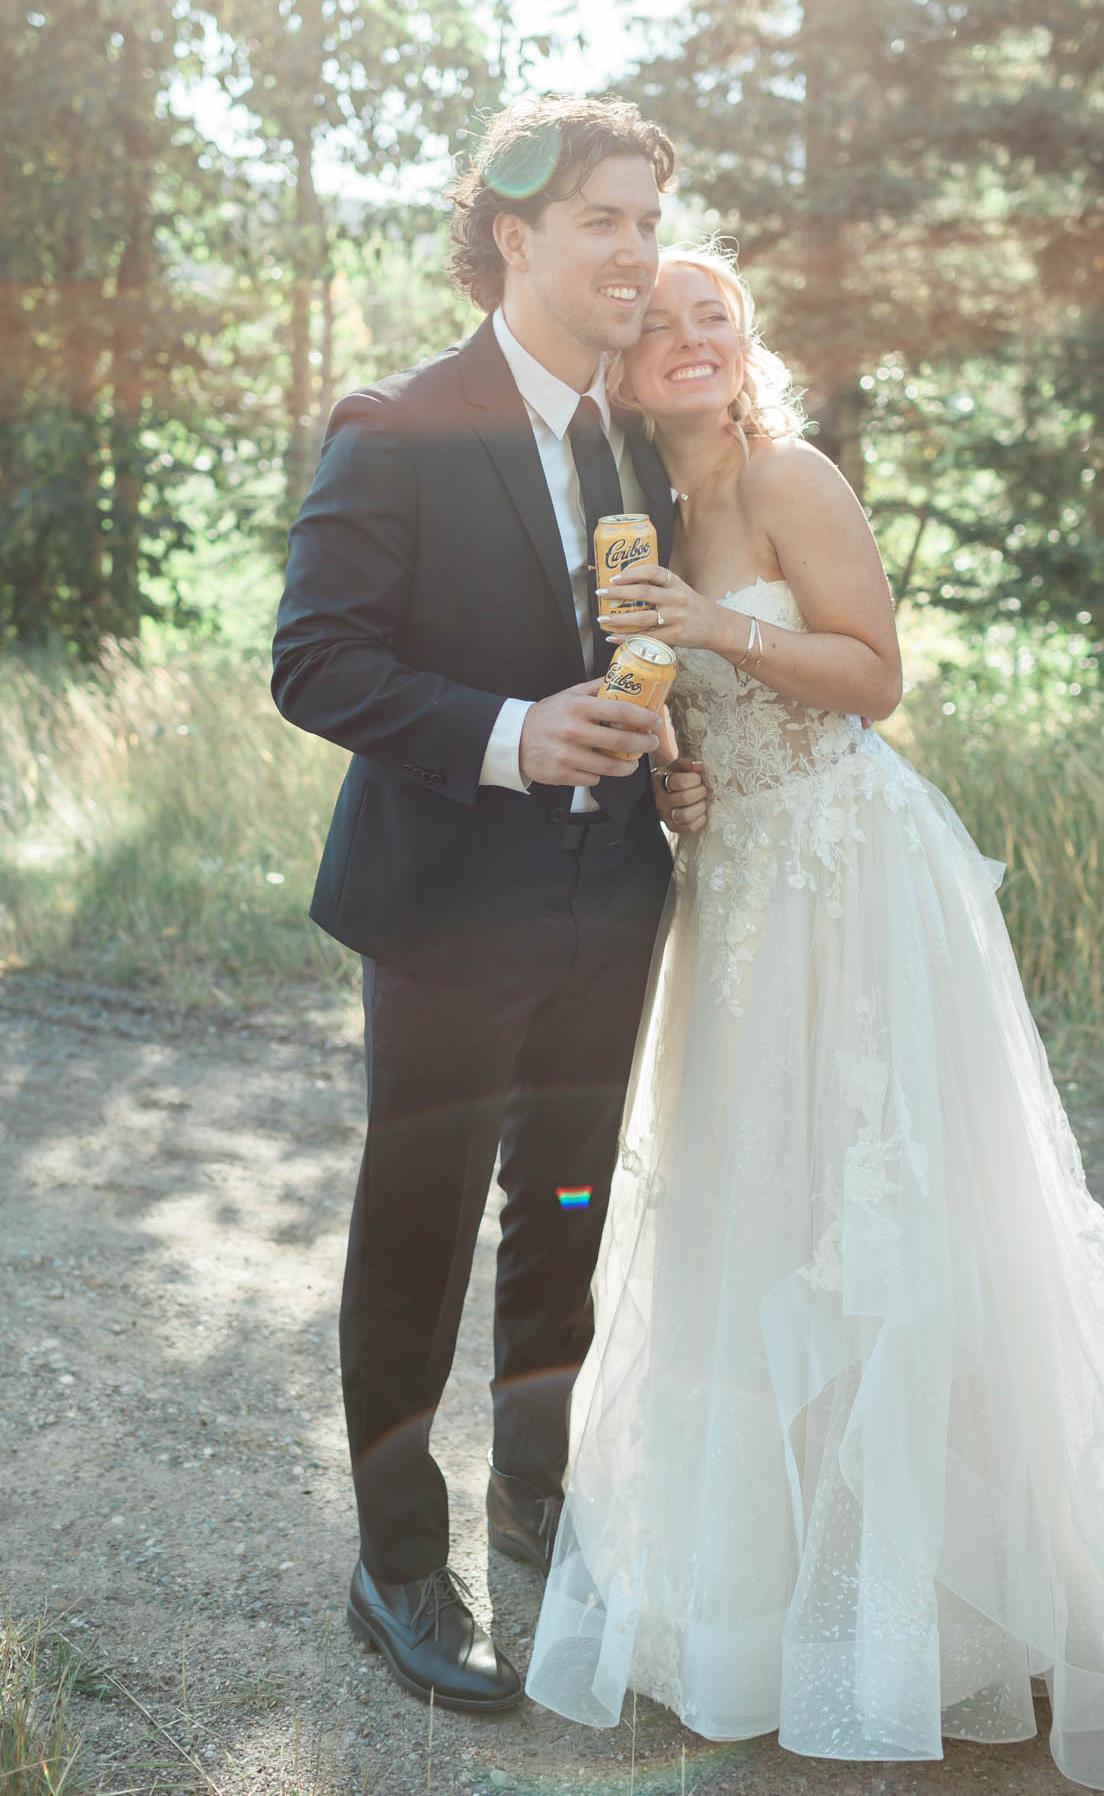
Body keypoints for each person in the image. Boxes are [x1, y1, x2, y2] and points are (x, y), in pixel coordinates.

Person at [524, 245, 1104, 1787]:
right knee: (755, 1224)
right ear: (620, 366)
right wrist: (683, 778)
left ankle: (964, 1608)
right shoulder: (644, 518)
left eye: (717, 315)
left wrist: (712, 628)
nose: (691, 338)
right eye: (661, 323)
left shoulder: (790, 475)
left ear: (743, 342)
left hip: (855, 883)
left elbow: (870, 677)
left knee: (894, 1226)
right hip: (741, 890)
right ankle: (776, 1605)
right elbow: (700, 717)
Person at [271, 95, 686, 1712]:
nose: (636, 255)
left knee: (567, 1208)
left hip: (614, 894)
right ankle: (394, 1557)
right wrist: (516, 736)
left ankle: (535, 1486)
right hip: (447, 900)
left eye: (650, 222)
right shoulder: (399, 418)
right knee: (421, 1226)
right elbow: (314, 662)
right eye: (605, 221)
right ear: (513, 237)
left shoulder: (640, 429)